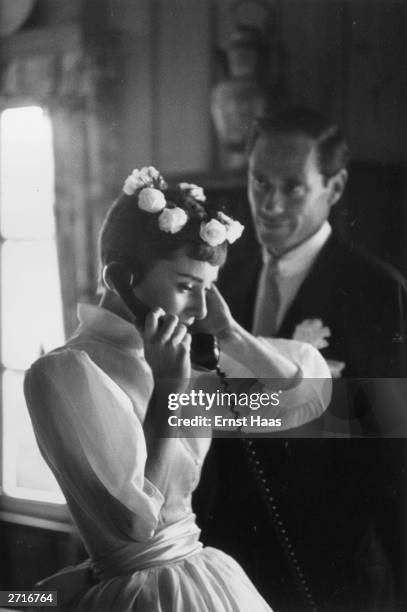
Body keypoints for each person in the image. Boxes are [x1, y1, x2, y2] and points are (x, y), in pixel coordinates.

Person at [24, 166, 331, 612]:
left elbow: (306, 398)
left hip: (208, 578)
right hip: (139, 595)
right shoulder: (66, 373)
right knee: (17, 602)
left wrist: (229, 333)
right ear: (121, 279)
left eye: (209, 289)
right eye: (187, 286)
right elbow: (136, 524)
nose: (201, 307)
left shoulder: (188, 358)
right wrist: (170, 391)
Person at [195, 108, 407, 611]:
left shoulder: (378, 292)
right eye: (259, 182)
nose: (269, 204)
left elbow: (394, 450)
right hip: (228, 561)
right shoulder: (222, 279)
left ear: (333, 188)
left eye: (293, 188)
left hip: (331, 568)